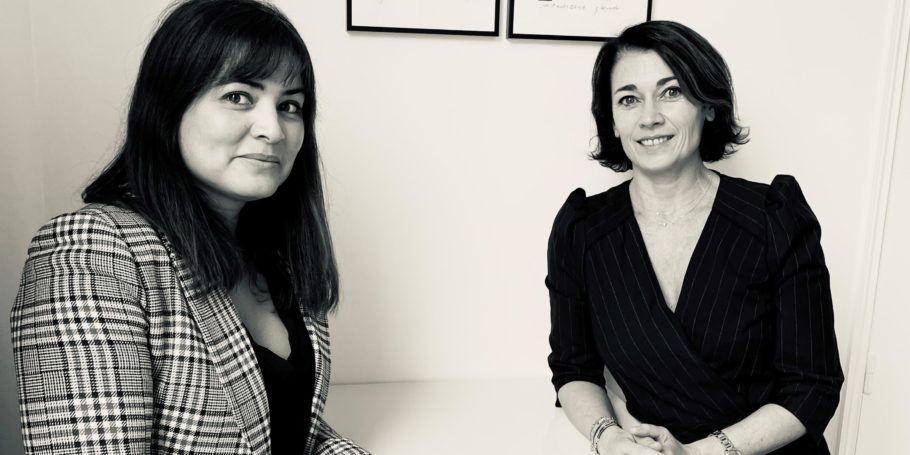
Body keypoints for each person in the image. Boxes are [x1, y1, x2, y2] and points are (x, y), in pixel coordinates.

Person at [10, 1, 368, 453]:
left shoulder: (277, 257)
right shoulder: (91, 250)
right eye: (238, 96)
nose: (273, 129)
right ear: (169, 104)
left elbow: (293, 431)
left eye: (290, 105)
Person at [546, 21, 843, 455]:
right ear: (612, 121)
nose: (649, 117)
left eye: (671, 92)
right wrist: (609, 439)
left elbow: (814, 386)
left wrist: (699, 452)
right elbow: (573, 369)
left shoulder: (775, 219)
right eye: (629, 99)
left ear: (708, 105)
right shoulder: (581, 230)